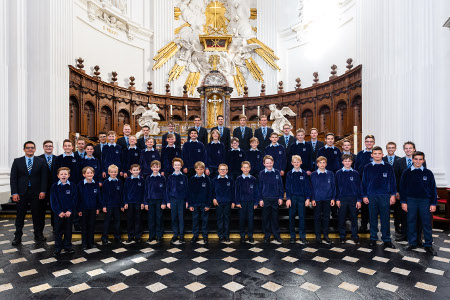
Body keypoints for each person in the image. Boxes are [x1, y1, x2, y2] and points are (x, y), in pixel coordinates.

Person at [10, 141, 48, 245]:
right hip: (21, 193)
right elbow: (13, 179)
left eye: (32, 148)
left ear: (35, 149)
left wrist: (43, 191)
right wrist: (14, 193)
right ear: (24, 149)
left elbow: (44, 178)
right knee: (20, 215)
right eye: (28, 148)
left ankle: (38, 234)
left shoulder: (41, 161)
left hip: (36, 193)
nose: (30, 149)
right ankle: (17, 236)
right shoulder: (17, 161)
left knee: (37, 215)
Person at [400, 151, 437, 255]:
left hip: (425, 201)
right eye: (416, 159)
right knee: (411, 221)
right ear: (412, 160)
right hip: (411, 200)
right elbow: (402, 189)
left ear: (423, 160)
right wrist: (403, 202)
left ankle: (428, 244)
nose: (418, 161)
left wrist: (433, 203)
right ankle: (412, 242)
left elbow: (433, 189)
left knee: (426, 223)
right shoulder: (407, 172)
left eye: (420, 159)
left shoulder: (428, 173)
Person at [361, 146, 396, 248]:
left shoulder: (388, 167)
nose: (377, 155)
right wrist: (364, 196)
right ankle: (373, 238)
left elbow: (393, 182)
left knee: (385, 218)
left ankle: (386, 239)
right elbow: (364, 183)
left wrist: (393, 195)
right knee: (372, 218)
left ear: (382, 155)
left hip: (385, 196)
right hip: (372, 196)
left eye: (379, 153)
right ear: (372, 155)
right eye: (375, 154)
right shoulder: (367, 167)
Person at [394, 141, 426, 241]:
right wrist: (397, 191)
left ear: (414, 149)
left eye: (410, 148)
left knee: (416, 215)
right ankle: (404, 234)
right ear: (404, 150)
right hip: (403, 193)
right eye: (406, 148)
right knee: (404, 214)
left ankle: (417, 237)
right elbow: (396, 178)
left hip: (417, 194)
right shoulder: (399, 161)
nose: (408, 150)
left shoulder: (419, 161)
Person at [335, 154, 362, 244]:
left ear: (352, 162)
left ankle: (355, 236)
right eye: (345, 161)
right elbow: (336, 187)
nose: (347, 162)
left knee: (354, 218)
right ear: (342, 162)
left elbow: (359, 187)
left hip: (353, 199)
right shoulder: (338, 173)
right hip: (342, 198)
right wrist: (337, 199)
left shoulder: (355, 173)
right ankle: (342, 235)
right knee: (342, 218)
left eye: (349, 161)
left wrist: (359, 200)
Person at [50, 167, 77, 255]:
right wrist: (58, 212)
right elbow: (53, 200)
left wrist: (70, 210)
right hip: (58, 214)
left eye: (65, 174)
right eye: (61, 174)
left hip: (69, 213)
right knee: (58, 231)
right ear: (58, 176)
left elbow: (74, 199)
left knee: (68, 230)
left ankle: (67, 246)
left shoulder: (72, 186)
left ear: (69, 175)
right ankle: (58, 247)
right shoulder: (54, 186)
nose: (63, 175)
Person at [285, 155, 311, 244]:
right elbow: (287, 187)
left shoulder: (304, 174)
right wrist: (288, 198)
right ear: (292, 163)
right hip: (292, 198)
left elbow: (307, 187)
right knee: (291, 217)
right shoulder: (289, 174)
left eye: (298, 162)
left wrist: (308, 198)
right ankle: (292, 236)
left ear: (301, 162)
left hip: (302, 198)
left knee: (302, 217)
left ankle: (302, 236)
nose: (296, 163)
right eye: (294, 162)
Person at [258, 155, 284, 244]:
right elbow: (259, 187)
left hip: (275, 198)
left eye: (270, 163)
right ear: (264, 164)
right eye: (267, 163)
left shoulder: (277, 172)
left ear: (273, 163)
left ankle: (277, 235)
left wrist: (280, 197)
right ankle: (267, 235)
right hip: (265, 198)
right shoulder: (261, 173)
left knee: (275, 218)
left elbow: (281, 186)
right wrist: (260, 199)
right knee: (266, 218)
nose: (269, 164)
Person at [310, 156, 335, 244]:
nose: (322, 164)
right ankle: (318, 235)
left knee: (326, 217)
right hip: (317, 199)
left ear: (326, 164)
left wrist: (333, 198)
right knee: (317, 217)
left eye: (324, 162)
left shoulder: (330, 174)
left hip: (327, 199)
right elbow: (311, 188)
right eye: (320, 163)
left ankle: (326, 235)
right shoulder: (313, 174)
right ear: (317, 164)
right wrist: (312, 199)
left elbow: (333, 187)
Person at [234, 161, 258, 243]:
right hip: (242, 202)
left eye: (247, 167)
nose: (246, 169)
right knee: (242, 219)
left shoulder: (253, 179)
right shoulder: (238, 179)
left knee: (250, 219)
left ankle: (250, 235)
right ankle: (242, 235)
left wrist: (255, 203)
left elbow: (256, 191)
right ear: (241, 168)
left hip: (251, 202)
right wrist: (237, 202)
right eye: (244, 167)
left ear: (250, 168)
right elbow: (236, 191)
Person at [355, 134, 375, 233]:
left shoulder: (376, 154)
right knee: (363, 206)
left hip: (373, 185)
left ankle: (373, 226)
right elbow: (356, 168)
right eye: (367, 141)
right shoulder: (360, 154)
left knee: (372, 207)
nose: (369, 143)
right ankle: (363, 225)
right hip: (362, 184)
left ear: (374, 143)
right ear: (364, 142)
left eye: (371, 141)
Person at [77, 166, 101, 250]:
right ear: (84, 174)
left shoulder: (96, 184)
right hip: (83, 209)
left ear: (93, 174)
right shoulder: (80, 184)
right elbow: (78, 198)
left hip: (93, 209)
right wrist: (79, 209)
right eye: (88, 173)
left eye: (91, 173)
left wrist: (98, 208)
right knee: (84, 226)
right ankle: (84, 243)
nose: (89, 174)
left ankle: (91, 243)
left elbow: (98, 197)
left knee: (91, 226)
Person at [188, 162, 212, 244]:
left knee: (205, 220)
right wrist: (190, 204)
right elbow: (189, 193)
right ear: (195, 169)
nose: (199, 171)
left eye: (201, 169)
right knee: (195, 220)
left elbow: (209, 193)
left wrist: (208, 204)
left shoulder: (207, 179)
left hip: (204, 203)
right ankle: (195, 235)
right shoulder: (192, 179)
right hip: (194, 204)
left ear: (204, 169)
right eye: (198, 169)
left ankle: (205, 236)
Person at [166, 158, 188, 244]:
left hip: (182, 199)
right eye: (175, 165)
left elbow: (187, 190)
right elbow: (167, 189)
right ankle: (175, 234)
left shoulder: (184, 177)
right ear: (173, 166)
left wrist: (187, 201)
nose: (177, 166)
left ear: (181, 166)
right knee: (174, 217)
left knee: (181, 217)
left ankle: (181, 235)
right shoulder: (170, 177)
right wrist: (168, 201)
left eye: (179, 165)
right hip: (173, 199)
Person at [144, 160, 166, 243]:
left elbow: (164, 191)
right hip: (150, 201)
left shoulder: (162, 178)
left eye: (157, 167)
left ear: (159, 167)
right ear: (151, 168)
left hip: (159, 201)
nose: (155, 168)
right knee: (151, 219)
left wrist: (164, 202)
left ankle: (159, 235)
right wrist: (146, 203)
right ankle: (151, 236)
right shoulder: (148, 178)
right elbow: (146, 191)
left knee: (159, 218)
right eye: (154, 167)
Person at [101, 164, 123, 245]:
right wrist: (104, 206)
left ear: (117, 172)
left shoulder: (119, 182)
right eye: (112, 172)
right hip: (109, 205)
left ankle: (117, 237)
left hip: (117, 205)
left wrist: (121, 205)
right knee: (107, 222)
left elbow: (121, 195)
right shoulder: (106, 182)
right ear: (108, 172)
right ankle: (104, 237)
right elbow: (104, 195)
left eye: (115, 172)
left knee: (117, 221)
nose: (113, 173)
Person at [123, 164, 145, 243]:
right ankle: (130, 236)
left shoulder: (142, 180)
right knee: (130, 219)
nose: (135, 171)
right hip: (130, 203)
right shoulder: (128, 180)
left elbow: (144, 192)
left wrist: (143, 202)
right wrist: (125, 202)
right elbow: (125, 192)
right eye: (134, 170)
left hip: (138, 203)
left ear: (140, 171)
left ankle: (138, 236)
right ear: (131, 171)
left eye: (137, 170)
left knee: (138, 219)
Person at [212, 164, 234, 242]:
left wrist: (233, 201)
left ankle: (226, 235)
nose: (222, 171)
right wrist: (214, 198)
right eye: (221, 169)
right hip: (218, 203)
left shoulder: (230, 180)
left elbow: (233, 191)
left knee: (227, 219)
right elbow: (212, 191)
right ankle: (221, 235)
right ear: (218, 170)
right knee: (220, 219)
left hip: (228, 202)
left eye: (224, 169)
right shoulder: (214, 180)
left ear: (227, 171)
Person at [39, 140, 55, 228]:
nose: (48, 147)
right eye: (46, 146)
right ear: (43, 147)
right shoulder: (38, 159)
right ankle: (40, 230)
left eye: (50, 146)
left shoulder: (57, 158)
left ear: (53, 147)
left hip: (54, 189)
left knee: (54, 209)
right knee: (41, 210)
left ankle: (55, 228)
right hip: (42, 190)